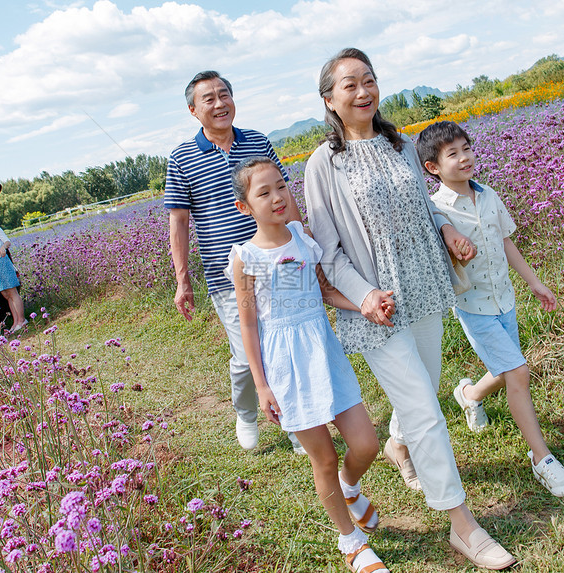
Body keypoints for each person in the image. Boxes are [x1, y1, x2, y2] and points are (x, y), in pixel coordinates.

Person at [304, 48, 516, 570]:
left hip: (424, 288)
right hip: (375, 309)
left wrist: (447, 230)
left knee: (421, 390)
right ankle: (463, 526)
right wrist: (363, 297)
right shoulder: (322, 164)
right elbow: (327, 251)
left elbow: (423, 206)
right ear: (329, 100)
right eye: (349, 85)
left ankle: (398, 447)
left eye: (369, 81)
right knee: (425, 407)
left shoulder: (398, 144)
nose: (363, 92)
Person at [226, 156, 390, 573]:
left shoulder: (302, 236)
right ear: (245, 206)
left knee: (366, 444)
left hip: (324, 350)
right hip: (285, 366)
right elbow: (248, 325)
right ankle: (351, 542)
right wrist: (262, 386)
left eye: (281, 186)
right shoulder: (245, 257)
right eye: (264, 193)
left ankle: (349, 488)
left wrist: (365, 304)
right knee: (324, 460)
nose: (278, 197)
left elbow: (325, 291)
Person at [417, 120, 564, 498]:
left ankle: (471, 395)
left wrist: (535, 283)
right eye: (453, 154)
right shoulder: (436, 210)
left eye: (467, 148)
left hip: (504, 299)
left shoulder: (488, 194)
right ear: (433, 168)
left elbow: (505, 242)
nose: (465, 158)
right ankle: (542, 460)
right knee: (518, 371)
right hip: (474, 307)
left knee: (506, 369)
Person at [165, 70, 304, 453]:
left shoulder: (258, 141)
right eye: (208, 98)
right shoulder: (181, 158)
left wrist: (301, 241)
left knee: (286, 341)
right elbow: (179, 221)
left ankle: (295, 422)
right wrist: (183, 279)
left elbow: (283, 195)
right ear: (194, 111)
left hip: (279, 261)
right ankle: (247, 412)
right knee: (247, 353)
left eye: (224, 94)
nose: (219, 103)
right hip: (228, 274)